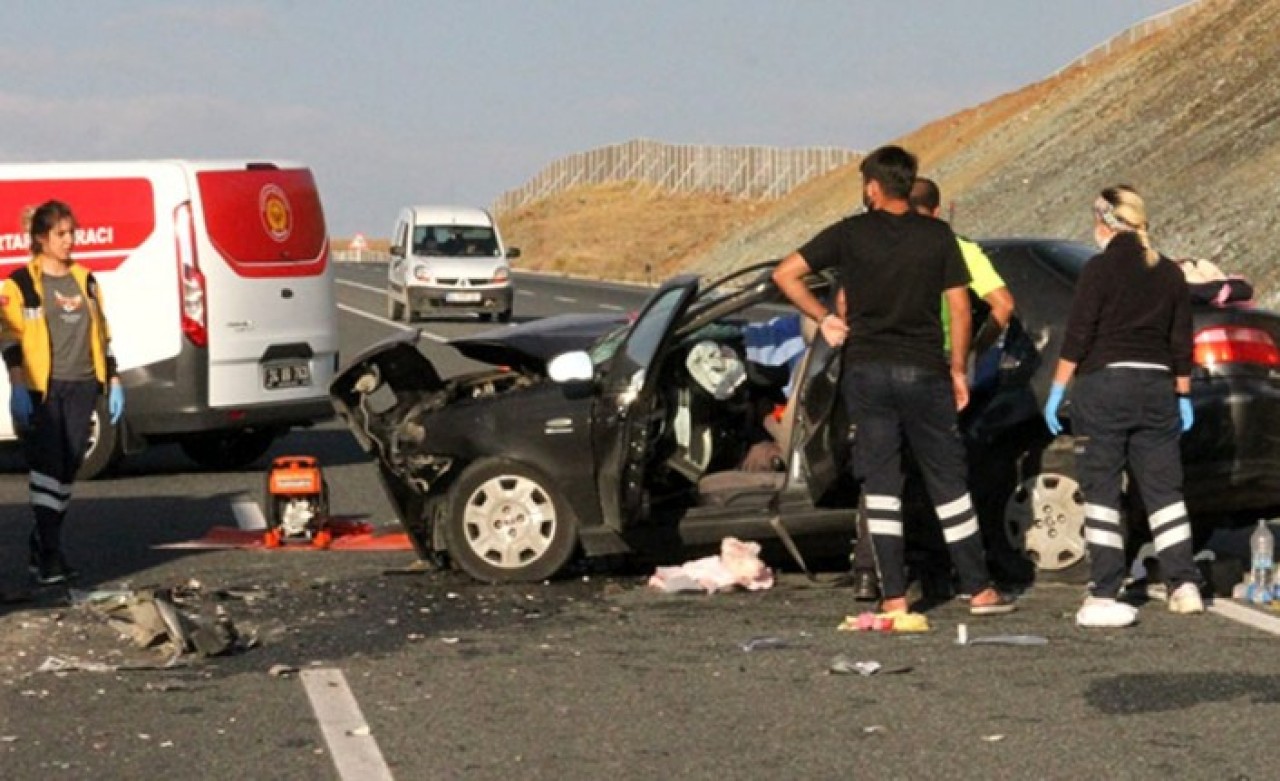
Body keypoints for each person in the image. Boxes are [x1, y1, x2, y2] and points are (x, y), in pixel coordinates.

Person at [772, 145, 1014, 618]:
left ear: (873, 188)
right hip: (924, 370)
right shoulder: (938, 238)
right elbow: (962, 309)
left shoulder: (849, 234)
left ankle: (895, 596)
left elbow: (786, 274)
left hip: (866, 371)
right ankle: (979, 588)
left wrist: (824, 319)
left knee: (882, 483)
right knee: (948, 478)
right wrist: (959, 369)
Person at [847, 176, 1018, 601]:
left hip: (874, 368)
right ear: (937, 211)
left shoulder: (873, 247)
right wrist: (972, 352)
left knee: (883, 476)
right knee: (944, 476)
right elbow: (1003, 304)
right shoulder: (955, 246)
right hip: (934, 369)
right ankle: (967, 578)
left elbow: (845, 305)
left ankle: (875, 576)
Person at [1043, 185, 1205, 628]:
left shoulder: (1097, 270)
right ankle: (1183, 584)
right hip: (1156, 388)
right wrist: (1184, 395)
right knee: (1164, 491)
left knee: (1103, 492)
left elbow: (1078, 335)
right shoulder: (1169, 272)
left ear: (1106, 223)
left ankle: (1105, 587)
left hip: (1105, 386)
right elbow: (1180, 342)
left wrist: (1057, 390)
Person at [1, 200, 124, 585]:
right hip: (43, 388)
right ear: (42, 238)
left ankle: (43, 541)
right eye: (62, 234)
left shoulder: (86, 281)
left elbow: (102, 332)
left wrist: (113, 379)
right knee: (47, 468)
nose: (71, 240)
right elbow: (9, 335)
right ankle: (50, 551)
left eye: (73, 232)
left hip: (84, 385)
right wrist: (18, 384)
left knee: (69, 467)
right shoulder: (20, 284)